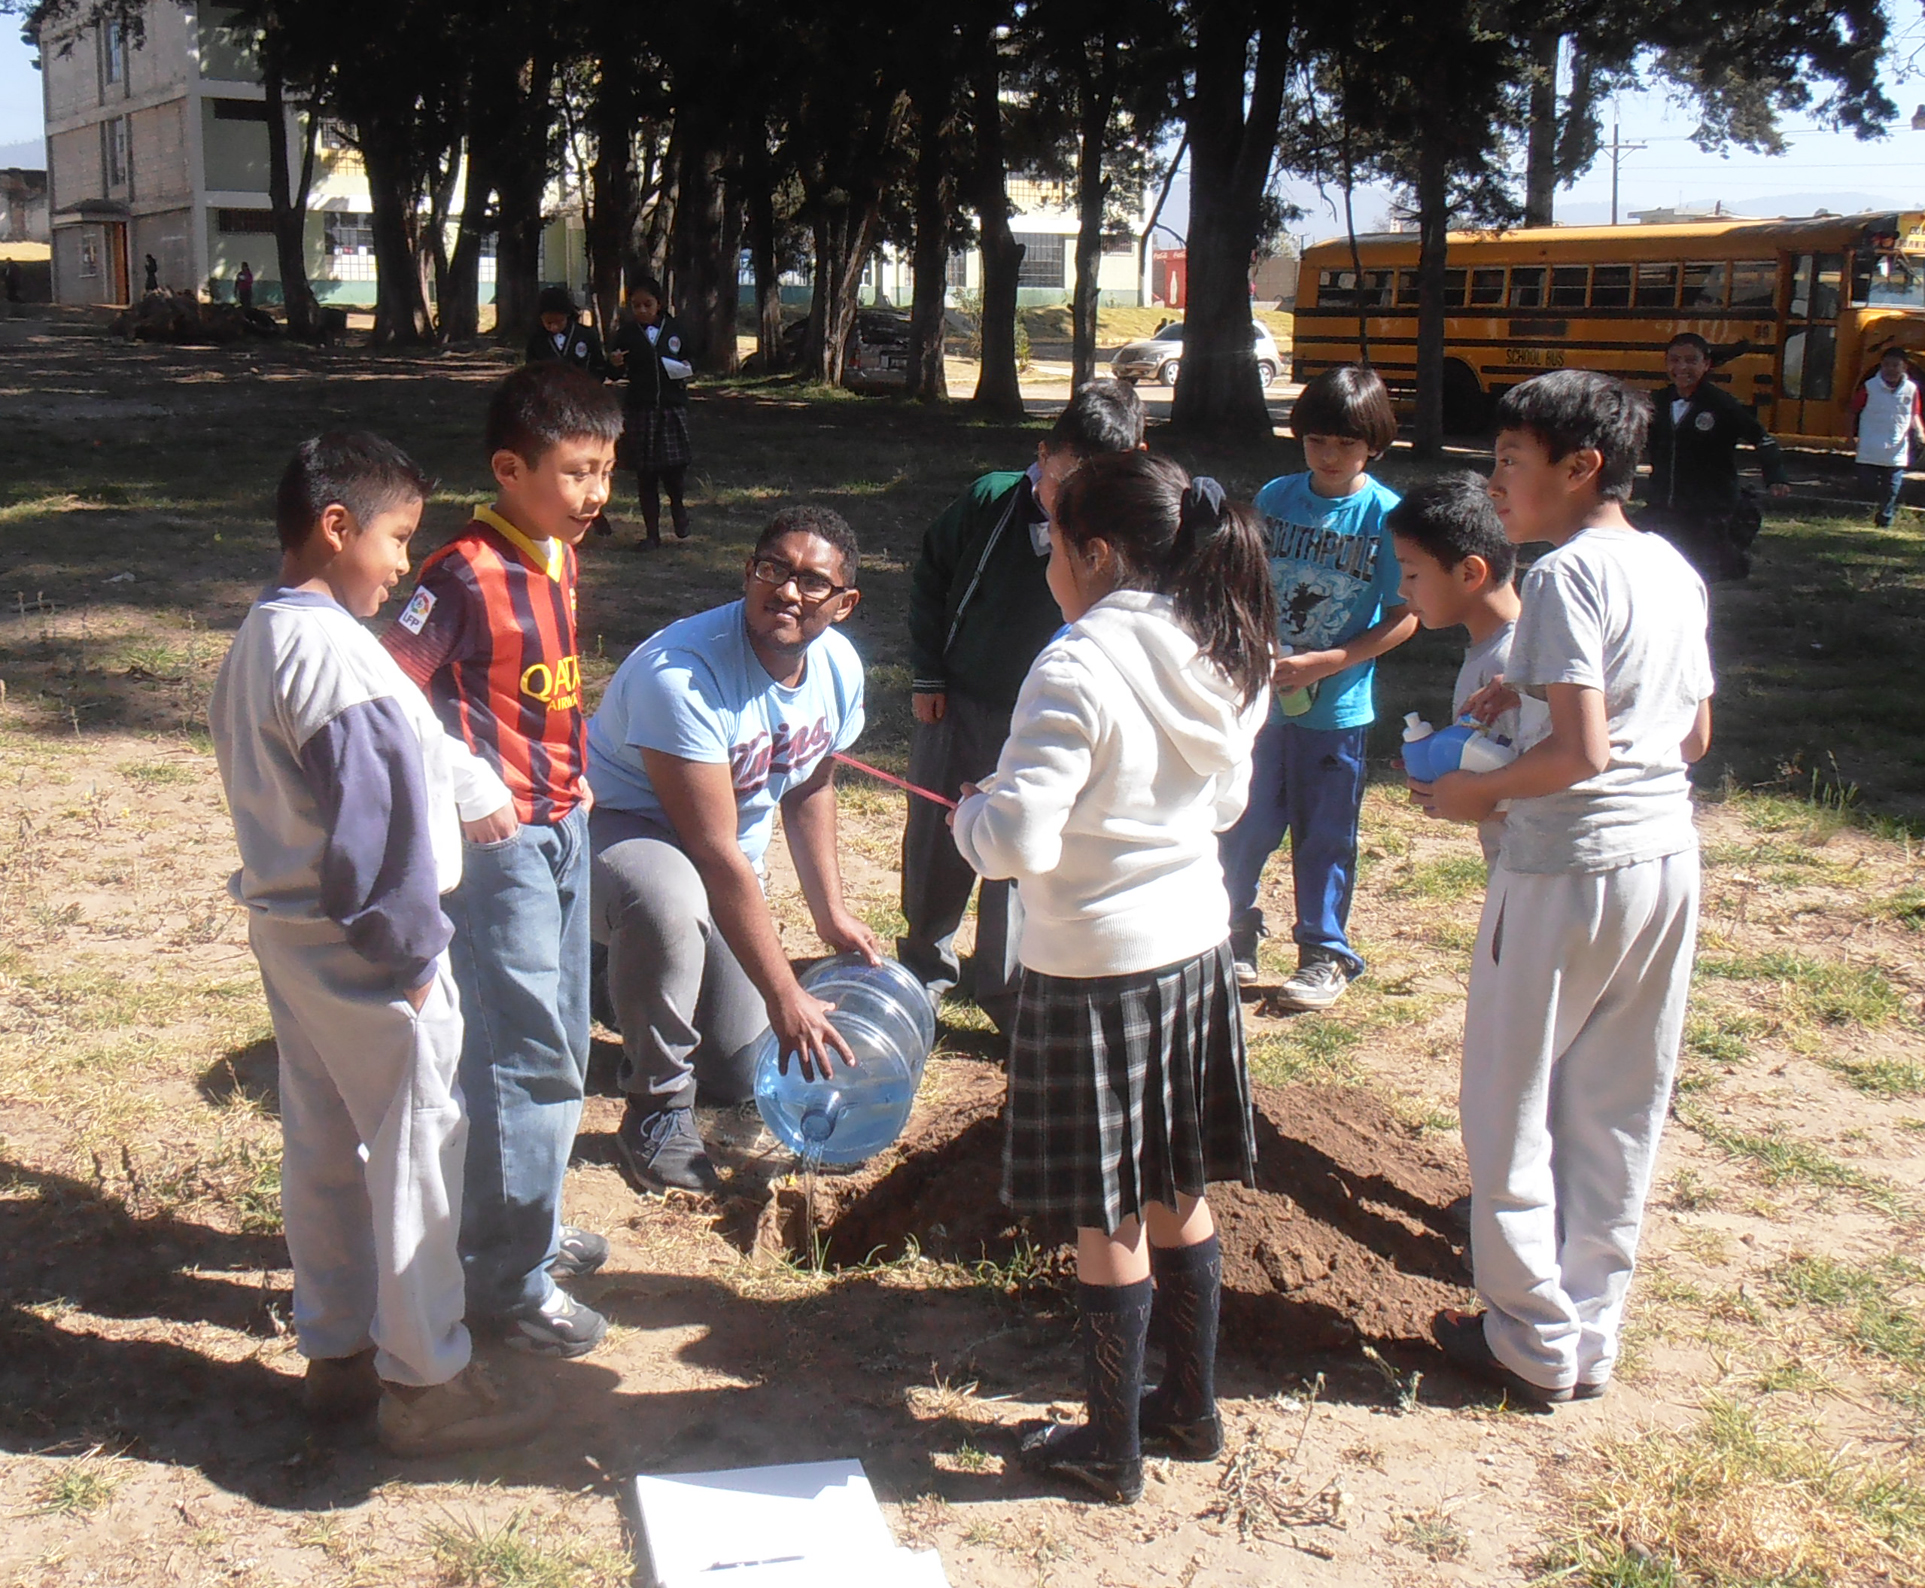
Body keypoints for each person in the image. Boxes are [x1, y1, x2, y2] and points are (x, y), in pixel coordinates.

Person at [209, 432, 544, 1458]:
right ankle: (427, 1379)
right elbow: (376, 819)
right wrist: (411, 954)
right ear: (335, 526)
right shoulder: (332, 654)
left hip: (293, 930)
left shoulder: (265, 634)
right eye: (397, 539)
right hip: (368, 946)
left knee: (322, 1145)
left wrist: (467, 786)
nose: (405, 564)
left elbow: (401, 759)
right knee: (416, 1152)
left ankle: (339, 1350)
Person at [950, 453, 1275, 1506]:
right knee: (1176, 1188)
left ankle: (1109, 1448)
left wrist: (972, 813)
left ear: (1092, 552)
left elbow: (1015, 842)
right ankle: (1187, 1408)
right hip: (1193, 951)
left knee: (1108, 1217)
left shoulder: (1076, 663)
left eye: (1049, 541)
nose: (1045, 562)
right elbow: (1222, 804)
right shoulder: (1220, 639)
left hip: (1093, 972)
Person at [1419, 370, 1713, 1407]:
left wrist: (1474, 792)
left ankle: (1528, 1339)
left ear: (1580, 466)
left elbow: (1581, 753)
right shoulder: (1669, 566)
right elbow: (1689, 734)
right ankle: (1589, 1330)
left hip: (1563, 869)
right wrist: (1531, 693)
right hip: (1662, 860)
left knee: (1507, 1103)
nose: (1494, 480)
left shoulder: (1560, 576)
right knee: (1617, 1102)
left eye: (1509, 460)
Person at [383, 364, 619, 1359]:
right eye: (574, 472)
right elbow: (384, 696)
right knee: (520, 1056)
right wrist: (467, 783)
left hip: (566, 826)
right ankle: (506, 1280)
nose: (594, 492)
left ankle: (531, 1223)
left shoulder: (557, 552)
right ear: (509, 470)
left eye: (604, 469)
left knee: (562, 1035)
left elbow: (544, 689)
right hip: (502, 849)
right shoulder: (458, 574)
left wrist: (576, 774)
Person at [586, 507, 882, 1194]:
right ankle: (655, 1111)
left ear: (844, 603)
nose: (787, 591)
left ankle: (616, 984)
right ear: (748, 573)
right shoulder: (682, 674)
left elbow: (810, 785)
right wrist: (784, 991)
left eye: (812, 581)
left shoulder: (837, 666)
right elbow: (714, 850)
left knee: (736, 1066)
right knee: (666, 898)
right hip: (619, 832)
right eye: (771, 569)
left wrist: (830, 914)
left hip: (714, 860)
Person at [901, 379, 1146, 1031]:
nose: (1071, 500)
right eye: (1062, 480)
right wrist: (928, 675)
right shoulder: (991, 499)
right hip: (961, 699)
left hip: (1047, 716)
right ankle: (924, 966)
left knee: (1021, 841)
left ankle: (1007, 988)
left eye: (1093, 483)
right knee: (938, 832)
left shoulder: (1125, 530)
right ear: (1042, 454)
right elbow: (930, 575)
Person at [1216, 364, 1414, 1009]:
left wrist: (1329, 661)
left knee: (1325, 835)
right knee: (1242, 822)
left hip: (1337, 713)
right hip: (1262, 705)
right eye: (1316, 441)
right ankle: (1234, 932)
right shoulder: (1275, 498)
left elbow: (1405, 615)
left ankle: (1324, 952)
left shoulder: (1387, 516)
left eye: (1346, 444)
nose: (1329, 456)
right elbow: (1245, 581)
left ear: (1374, 445)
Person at [1389, 472, 1550, 868]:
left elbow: (1544, 783)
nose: (1402, 590)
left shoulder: (1509, 662)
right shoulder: (1496, 651)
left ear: (1469, 574)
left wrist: (1458, 795)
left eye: (1412, 574)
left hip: (1536, 871)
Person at [1640, 331, 1790, 581]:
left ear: (1706, 364)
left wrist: (1776, 476)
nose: (1682, 368)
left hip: (1709, 507)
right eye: (1675, 360)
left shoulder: (1721, 404)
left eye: (1691, 361)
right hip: (1664, 503)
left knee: (1710, 571)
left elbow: (1762, 439)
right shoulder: (1658, 402)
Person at [606, 275, 693, 548]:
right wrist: (615, 364)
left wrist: (686, 368)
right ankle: (652, 534)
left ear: (660, 303)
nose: (642, 310)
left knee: (673, 470)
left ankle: (678, 507)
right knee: (646, 475)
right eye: (636, 306)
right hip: (641, 410)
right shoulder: (627, 334)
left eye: (648, 304)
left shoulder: (675, 329)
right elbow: (614, 373)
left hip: (670, 408)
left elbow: (692, 358)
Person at [1849, 346, 1924, 528]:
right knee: (1867, 484)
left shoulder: (1911, 389)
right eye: (1886, 365)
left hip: (1897, 449)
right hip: (1870, 447)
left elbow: (1914, 414)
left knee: (1892, 488)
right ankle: (1868, 513)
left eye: (1895, 365)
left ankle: (1885, 520)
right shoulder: (1869, 387)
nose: (1890, 369)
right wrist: (1850, 436)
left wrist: (1921, 432)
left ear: (1904, 367)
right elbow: (1852, 411)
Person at [524, 285, 609, 376]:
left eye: (559, 321)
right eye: (548, 322)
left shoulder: (586, 335)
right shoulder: (536, 339)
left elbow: (599, 367)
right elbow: (531, 371)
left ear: (567, 315)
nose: (554, 327)